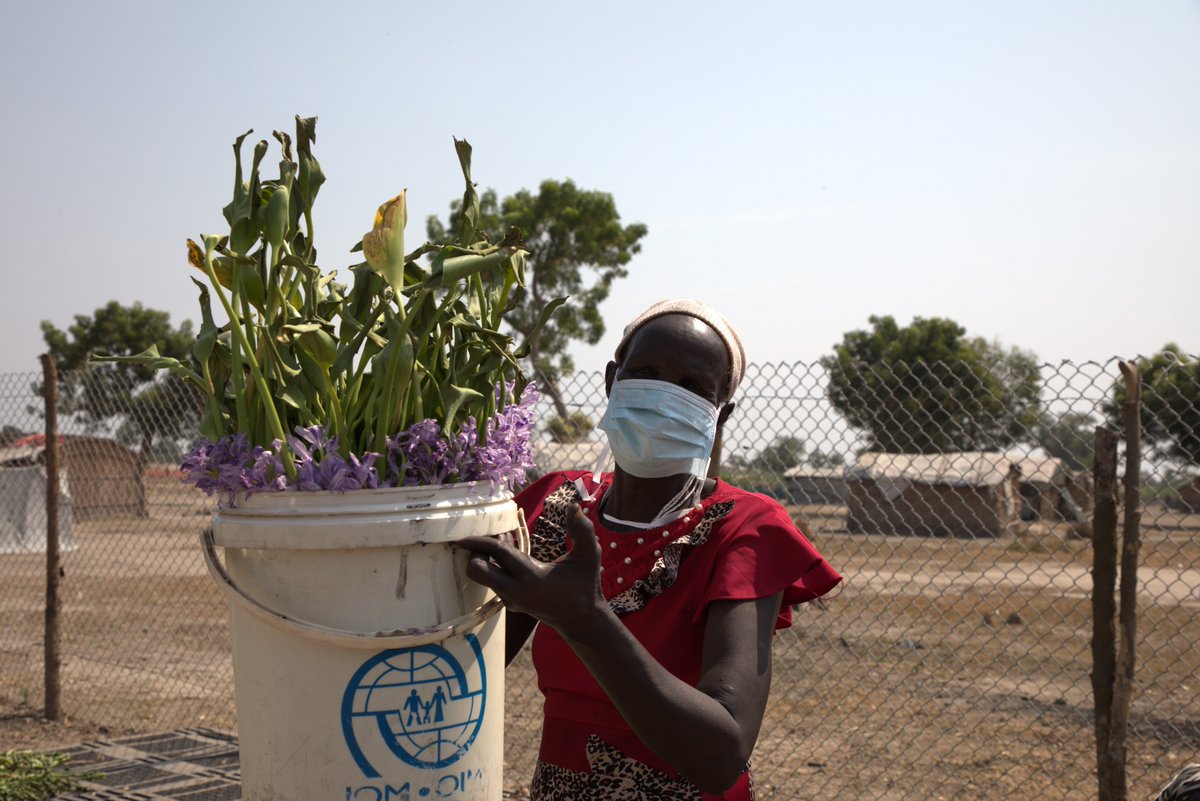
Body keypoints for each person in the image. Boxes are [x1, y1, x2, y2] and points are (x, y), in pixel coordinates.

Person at [459, 299, 841, 800]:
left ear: (720, 414)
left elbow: (720, 753)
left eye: (691, 387)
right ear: (613, 379)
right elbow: (464, 669)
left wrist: (587, 620)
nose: (664, 395)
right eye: (647, 372)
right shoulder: (556, 508)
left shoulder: (743, 529)